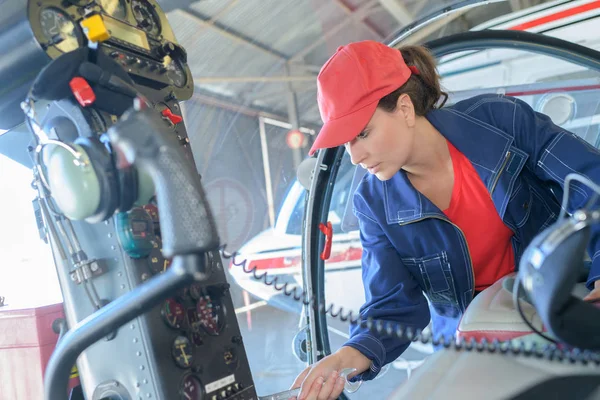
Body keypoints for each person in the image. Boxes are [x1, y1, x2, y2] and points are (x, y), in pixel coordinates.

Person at [289, 40, 600, 400]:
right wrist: (346, 356)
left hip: (560, 310)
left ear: (404, 108)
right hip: (474, 350)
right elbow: (393, 305)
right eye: (346, 143)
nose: (356, 157)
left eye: (362, 134)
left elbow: (590, 182)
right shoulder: (372, 204)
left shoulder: (503, 123)